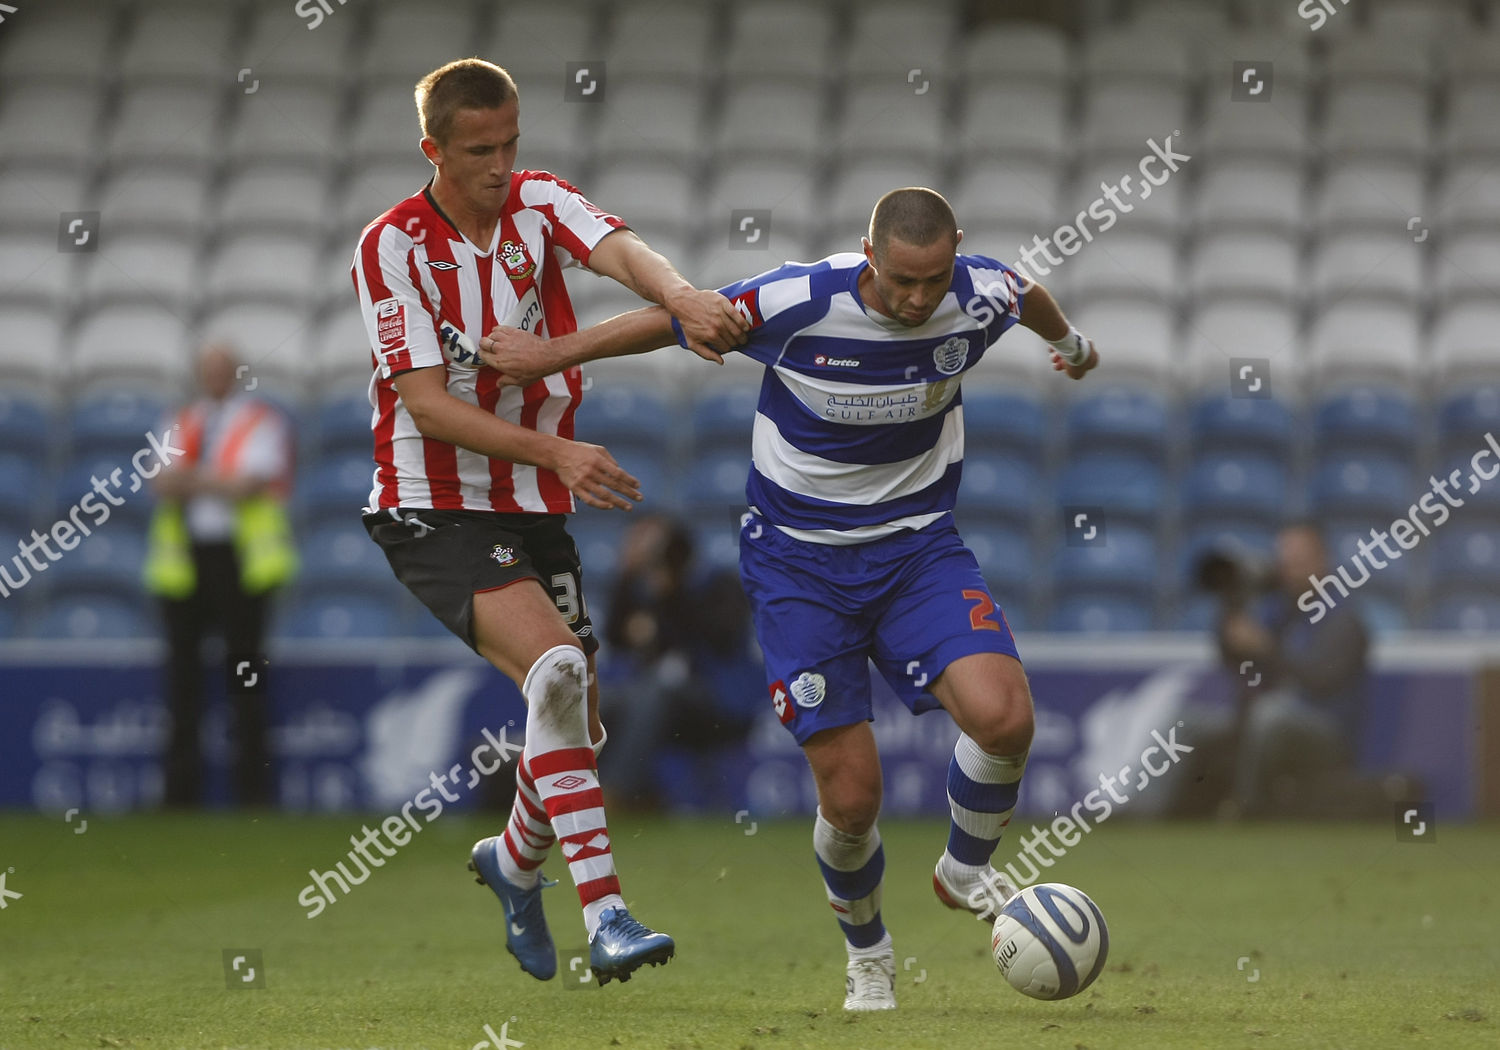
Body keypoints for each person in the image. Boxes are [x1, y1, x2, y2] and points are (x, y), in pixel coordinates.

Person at [478, 187, 1102, 1010]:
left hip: (919, 551)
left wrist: (1074, 346)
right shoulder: (799, 301)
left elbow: (1028, 295)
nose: (920, 299)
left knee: (1007, 718)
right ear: (869, 255)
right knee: (852, 801)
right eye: (903, 281)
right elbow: (675, 321)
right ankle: (869, 954)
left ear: (956, 254)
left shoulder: (976, 294)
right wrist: (545, 356)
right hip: (799, 571)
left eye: (934, 279)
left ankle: (964, 869)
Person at [350, 58, 748, 986]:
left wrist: (681, 294)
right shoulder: (393, 245)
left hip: (530, 505)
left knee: (580, 722)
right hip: (432, 501)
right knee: (560, 668)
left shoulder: (538, 202)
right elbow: (428, 407)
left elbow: (622, 251)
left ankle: (513, 860)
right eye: (479, 150)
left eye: (511, 143)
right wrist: (562, 453)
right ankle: (606, 916)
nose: (500, 164)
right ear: (434, 151)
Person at [145, 342, 297, 807]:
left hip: (242, 563)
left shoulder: (260, 419)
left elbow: (247, 486)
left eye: (221, 368)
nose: (213, 376)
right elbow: (160, 482)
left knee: (245, 675)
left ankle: (252, 791)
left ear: (235, 373)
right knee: (182, 679)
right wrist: (213, 480)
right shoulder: (181, 418)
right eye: (207, 368)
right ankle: (179, 795)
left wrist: (191, 478)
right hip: (185, 562)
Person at [598, 514, 760, 809]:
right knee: (604, 703)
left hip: (717, 701)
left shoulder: (716, 582)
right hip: (649, 701)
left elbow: (722, 635)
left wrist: (673, 593)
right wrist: (626, 575)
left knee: (659, 691)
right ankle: (622, 795)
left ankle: (616, 793)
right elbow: (614, 636)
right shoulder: (641, 590)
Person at [1212, 521, 1370, 817]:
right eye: (1285, 561)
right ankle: (1147, 813)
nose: (1290, 569)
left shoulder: (1344, 619)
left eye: (1300, 560)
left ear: (1322, 561)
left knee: (1269, 713)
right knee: (1183, 722)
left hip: (1327, 732)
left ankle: (1246, 809)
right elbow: (1232, 661)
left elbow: (1321, 679)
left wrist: (1266, 647)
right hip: (1268, 720)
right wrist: (1231, 606)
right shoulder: (1276, 611)